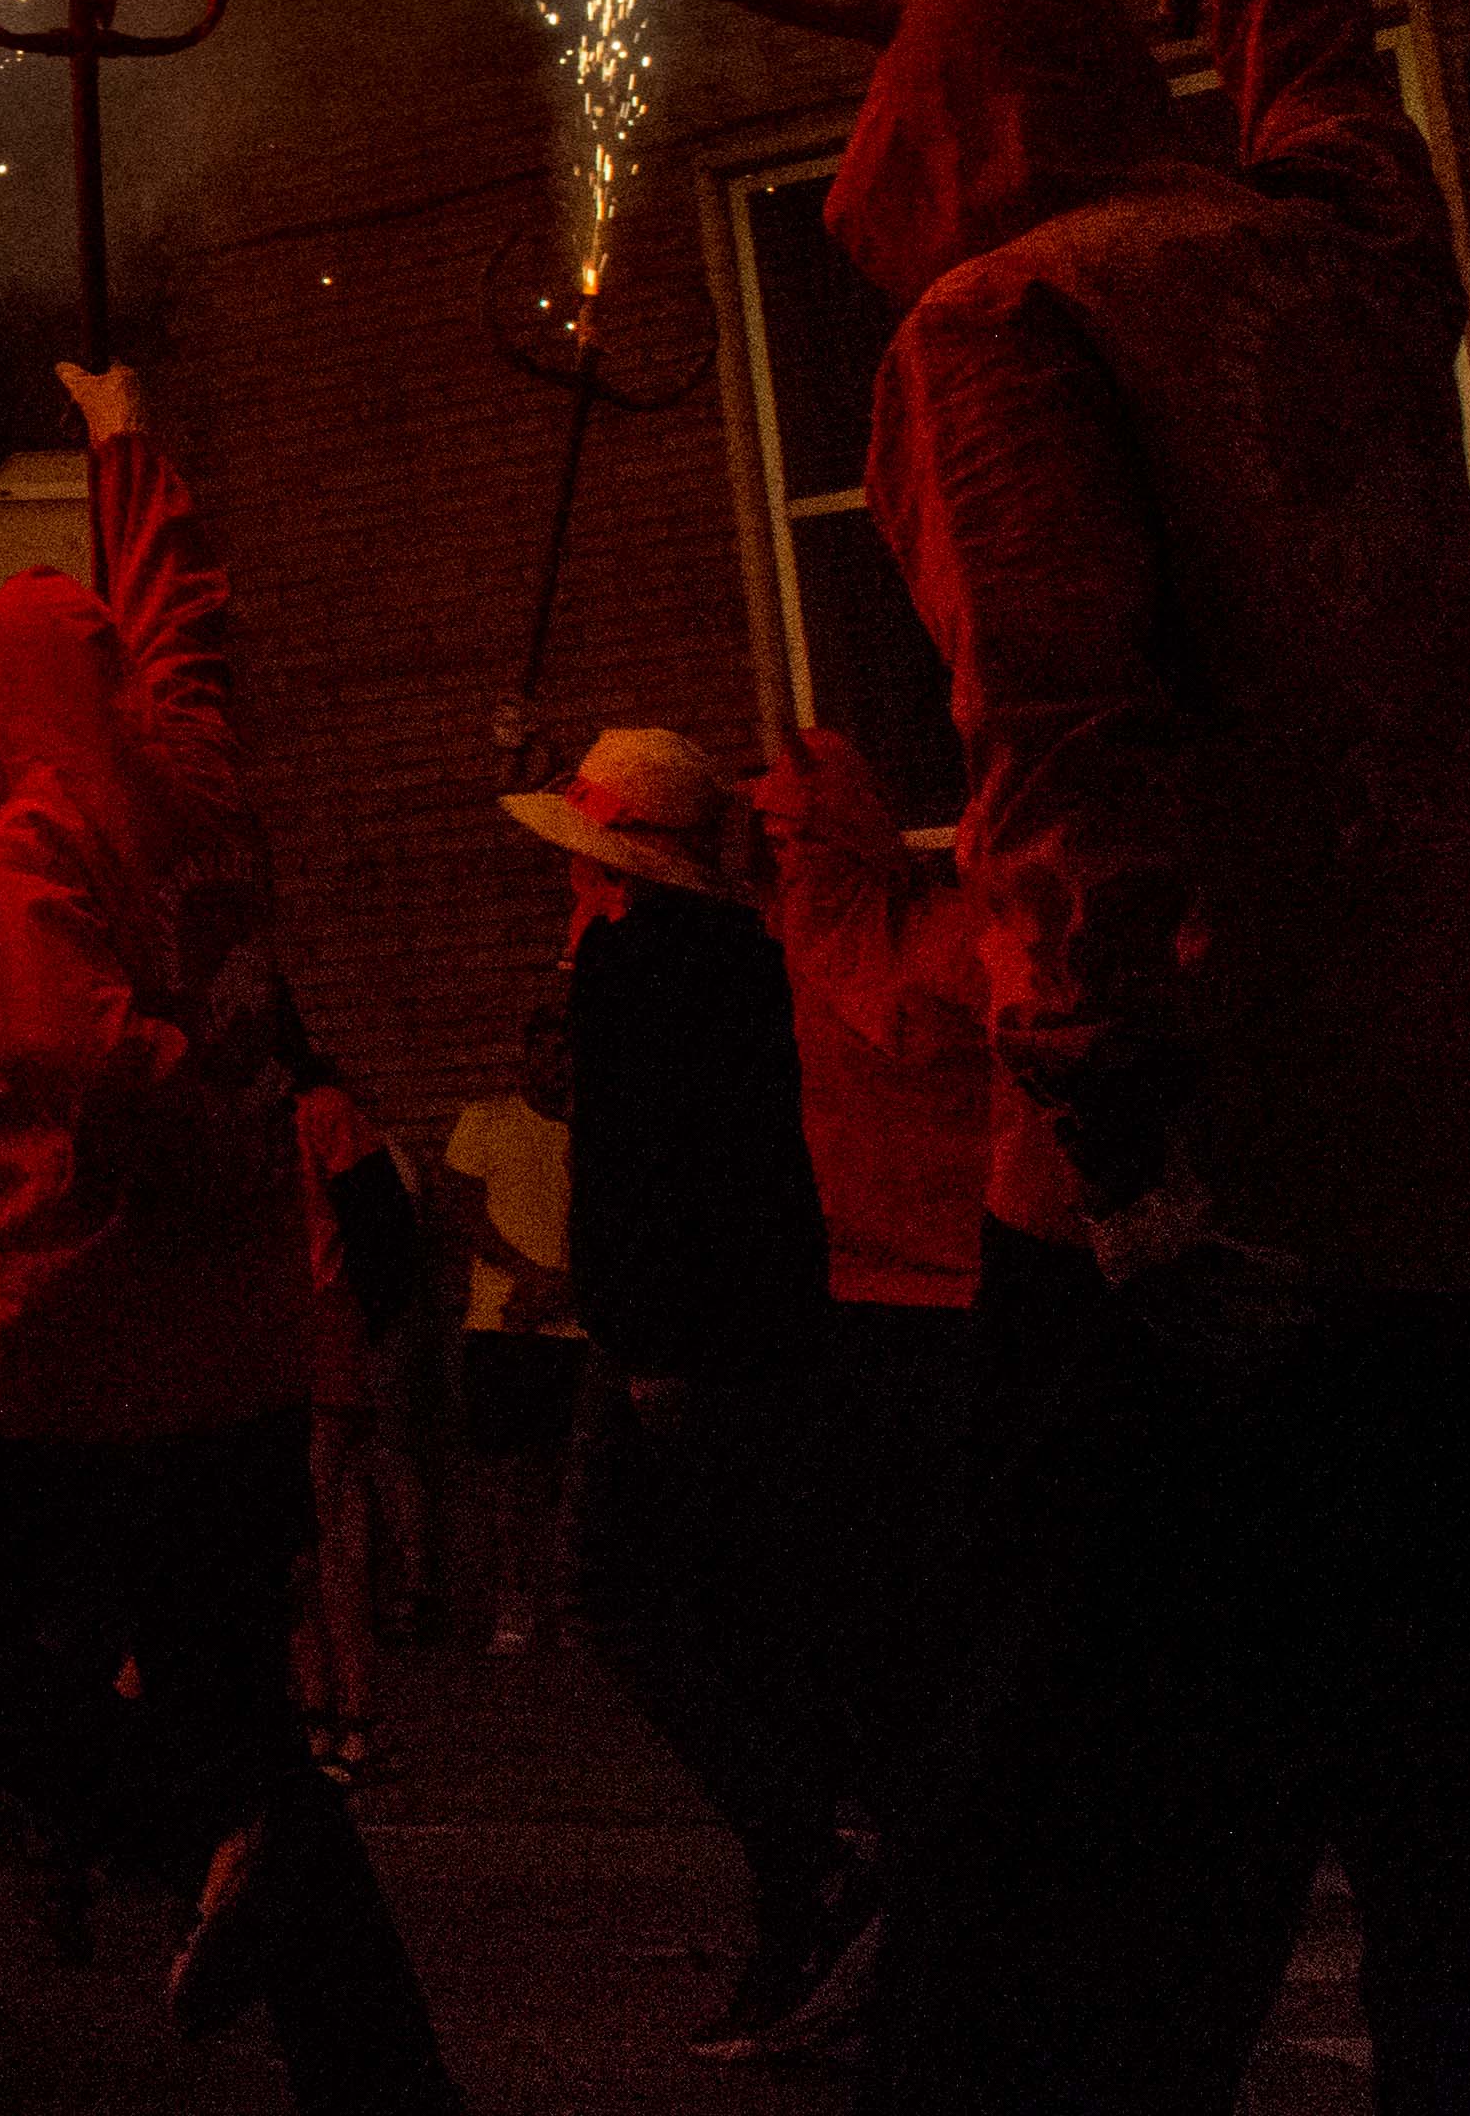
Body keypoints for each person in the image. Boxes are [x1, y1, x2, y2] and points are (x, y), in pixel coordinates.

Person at [844, 0, 1470, 2115]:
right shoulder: (1337, 263)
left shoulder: (997, 325)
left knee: (1075, 1904)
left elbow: (1059, 733)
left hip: (1248, 1220)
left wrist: (1112, 1130)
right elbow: (1337, 129)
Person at [0, 362, 461, 2116]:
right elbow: (185, 636)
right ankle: (384, 2078)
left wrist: (201, 1110)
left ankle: (191, 1832)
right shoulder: (196, 782)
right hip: (244, 1348)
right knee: (236, 1709)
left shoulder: (21, 852)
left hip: (70, 1339)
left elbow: (71, 1053)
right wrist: (127, 452)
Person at [507, 725, 855, 2058]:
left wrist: (651, 1337)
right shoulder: (731, 964)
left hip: (673, 1336)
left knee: (635, 1598)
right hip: (725, 1326)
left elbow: (646, 1169)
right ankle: (813, 1859)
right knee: (729, 1603)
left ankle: (805, 1860)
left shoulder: (639, 970)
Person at [758, 724, 990, 2085]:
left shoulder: (942, 938)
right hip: (859, 1307)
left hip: (963, 1307)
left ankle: (943, 1886)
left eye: (799, 836)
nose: (783, 862)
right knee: (868, 1615)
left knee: (936, 1611)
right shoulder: (793, 951)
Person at [286, 1045, 426, 1787]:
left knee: (318, 1522)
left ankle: (349, 1714)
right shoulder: (248, 1115)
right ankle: (328, 1715)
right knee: (313, 1529)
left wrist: (365, 1323)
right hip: (272, 1335)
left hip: (322, 1324)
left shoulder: (323, 1112)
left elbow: (383, 1227)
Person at [432, 1003, 578, 1654]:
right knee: (505, 1476)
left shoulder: (593, 1133)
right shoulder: (485, 1121)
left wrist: (564, 1288)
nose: (556, 1063)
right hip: (502, 1320)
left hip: (574, 1328)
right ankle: (510, 1606)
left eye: (566, 1050)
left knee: (570, 1476)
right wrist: (528, 1274)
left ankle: (568, 1609)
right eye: (544, 1049)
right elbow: (463, 1211)